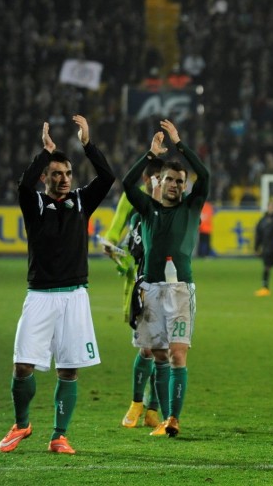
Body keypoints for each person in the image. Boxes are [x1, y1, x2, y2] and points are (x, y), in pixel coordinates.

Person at [0, 116, 115, 454]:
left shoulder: (81, 201)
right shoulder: (33, 204)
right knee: (22, 366)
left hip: (75, 296)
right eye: (56, 174)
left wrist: (88, 144)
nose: (64, 179)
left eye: (67, 174)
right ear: (45, 178)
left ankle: (59, 435)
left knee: (68, 369)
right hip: (39, 295)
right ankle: (22, 424)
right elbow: (23, 185)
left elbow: (107, 176)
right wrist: (44, 152)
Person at [122, 118, 210, 438]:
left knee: (177, 353)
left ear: (185, 185)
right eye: (169, 179)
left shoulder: (191, 208)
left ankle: (172, 418)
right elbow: (127, 184)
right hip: (150, 289)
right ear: (161, 180)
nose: (174, 184)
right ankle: (152, 412)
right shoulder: (147, 208)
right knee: (156, 354)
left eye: (179, 180)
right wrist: (150, 154)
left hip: (180, 290)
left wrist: (180, 143)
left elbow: (207, 176)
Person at [104, 157, 165, 429]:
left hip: (171, 285)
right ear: (147, 179)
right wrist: (112, 248)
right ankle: (137, 402)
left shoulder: (175, 204)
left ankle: (154, 409)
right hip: (141, 283)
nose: (164, 184)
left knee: (163, 349)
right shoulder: (132, 200)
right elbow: (114, 234)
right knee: (147, 348)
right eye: (159, 179)